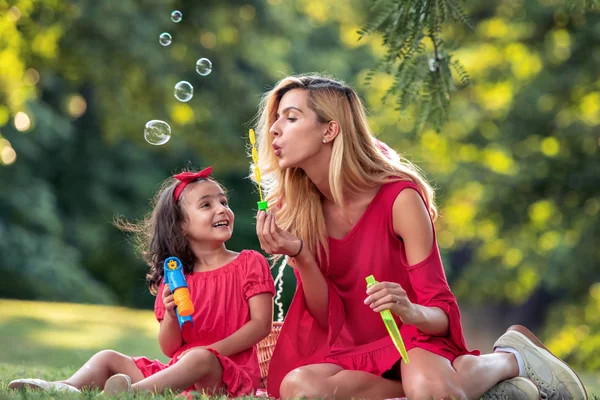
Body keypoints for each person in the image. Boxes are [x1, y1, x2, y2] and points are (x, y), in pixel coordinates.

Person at [252, 74, 587, 400]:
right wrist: (301, 254)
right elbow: (327, 319)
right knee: (299, 390)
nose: (274, 129)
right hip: (353, 351)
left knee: (428, 391)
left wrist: (409, 309)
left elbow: (442, 314)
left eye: (291, 117)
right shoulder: (299, 212)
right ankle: (472, 385)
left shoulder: (399, 199)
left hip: (416, 337)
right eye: (276, 119)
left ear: (330, 129)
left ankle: (510, 358)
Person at [9, 166, 275, 396]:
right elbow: (171, 349)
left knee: (199, 358)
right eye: (207, 205)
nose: (221, 209)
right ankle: (65, 387)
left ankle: (133, 393)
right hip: (178, 371)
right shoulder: (175, 277)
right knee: (108, 358)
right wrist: (171, 316)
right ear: (181, 225)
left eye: (224, 202)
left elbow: (261, 325)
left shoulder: (249, 263)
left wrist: (208, 352)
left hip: (228, 376)